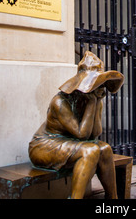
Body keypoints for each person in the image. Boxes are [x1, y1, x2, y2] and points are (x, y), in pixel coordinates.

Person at [28, 51, 124, 199]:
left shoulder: (94, 99)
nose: (99, 87)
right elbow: (82, 135)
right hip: (45, 145)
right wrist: (92, 103)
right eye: (95, 83)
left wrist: (96, 102)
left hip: (71, 143)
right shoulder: (60, 102)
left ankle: (113, 198)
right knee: (90, 151)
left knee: (105, 149)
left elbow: (95, 133)